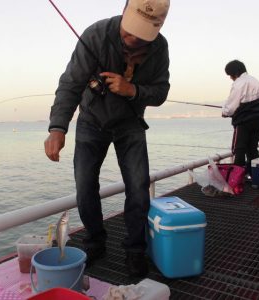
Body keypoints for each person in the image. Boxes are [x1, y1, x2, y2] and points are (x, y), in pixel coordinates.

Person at [44, 0, 170, 277]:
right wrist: (58, 128)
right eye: (129, 30)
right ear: (123, 10)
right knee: (85, 186)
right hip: (91, 122)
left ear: (158, 28)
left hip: (131, 124)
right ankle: (95, 243)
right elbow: (71, 83)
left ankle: (135, 251)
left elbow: (161, 91)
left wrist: (132, 90)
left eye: (142, 35)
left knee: (138, 187)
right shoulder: (96, 35)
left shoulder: (160, 48)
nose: (133, 38)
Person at [221, 60, 259, 178]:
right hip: (258, 119)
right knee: (252, 148)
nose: (230, 78)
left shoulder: (238, 84)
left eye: (230, 75)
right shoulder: (256, 81)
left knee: (239, 149)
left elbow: (232, 106)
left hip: (244, 121)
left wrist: (225, 112)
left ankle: (237, 178)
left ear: (234, 73)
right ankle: (254, 175)